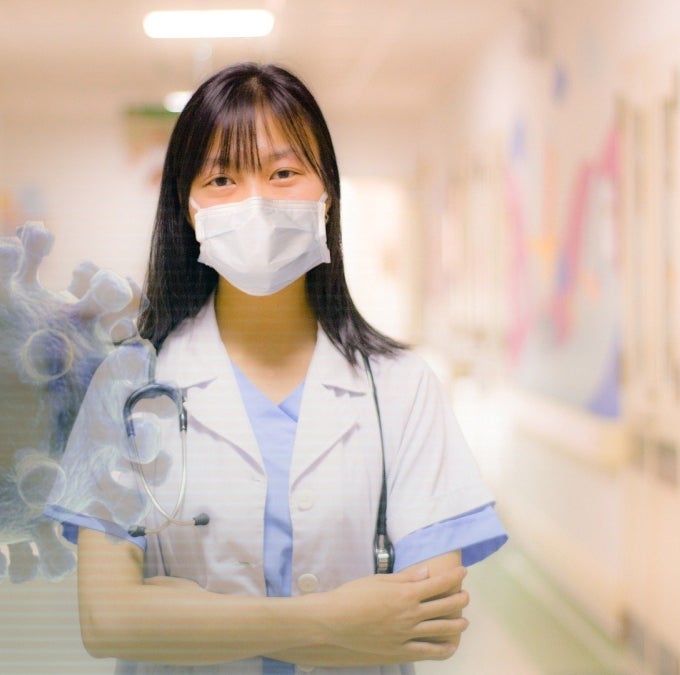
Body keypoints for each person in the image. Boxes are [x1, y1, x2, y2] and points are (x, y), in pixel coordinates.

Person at [54, 62, 507, 674]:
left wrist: (180, 617)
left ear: (327, 195)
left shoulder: (401, 386)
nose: (257, 201)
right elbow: (108, 621)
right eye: (221, 179)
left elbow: (429, 629)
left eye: (284, 173)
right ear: (186, 209)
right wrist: (339, 619)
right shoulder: (129, 386)